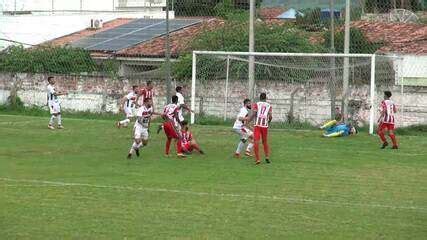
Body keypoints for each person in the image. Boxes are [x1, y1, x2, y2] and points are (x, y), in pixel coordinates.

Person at [248, 93, 272, 165]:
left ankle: (258, 159)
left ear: (259, 98)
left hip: (257, 125)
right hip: (265, 126)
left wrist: (249, 120)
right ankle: (267, 157)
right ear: (265, 98)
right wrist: (268, 122)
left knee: (256, 141)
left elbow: (254, 113)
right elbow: (270, 116)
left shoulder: (256, 104)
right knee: (265, 142)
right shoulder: (269, 106)